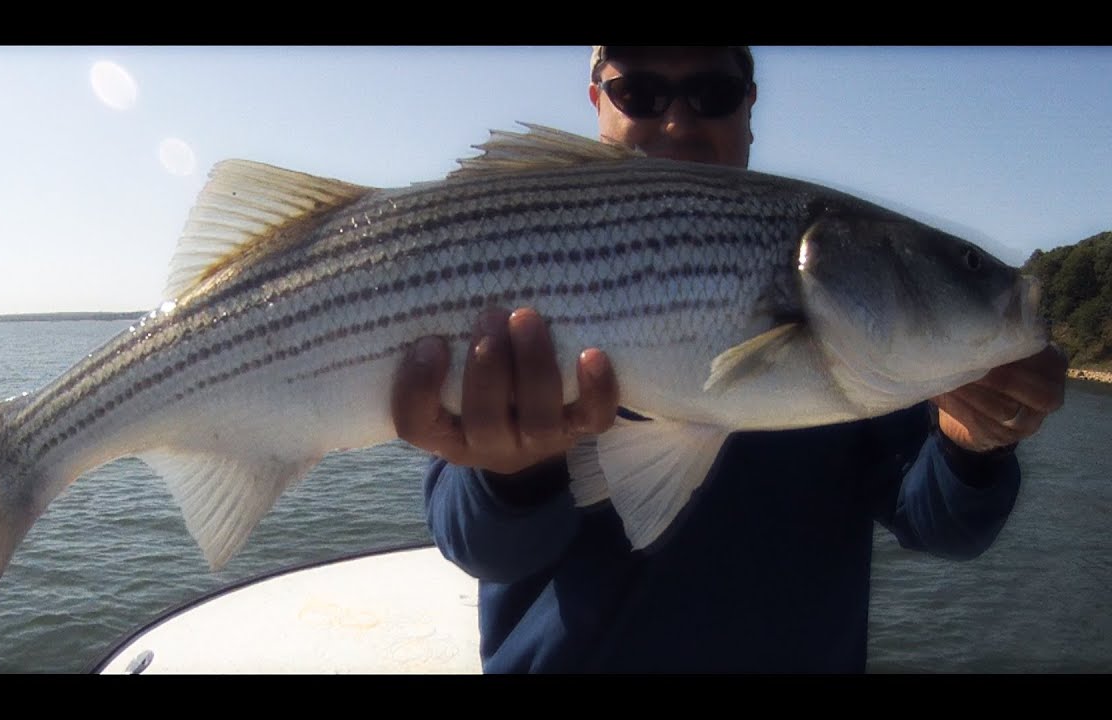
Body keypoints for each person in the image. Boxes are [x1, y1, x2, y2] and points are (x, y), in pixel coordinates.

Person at [389, 46, 1069, 672]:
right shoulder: (514, 259)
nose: (679, 122)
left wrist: (972, 447)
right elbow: (481, 548)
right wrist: (514, 478)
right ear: (597, 101)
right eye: (642, 93)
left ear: (749, 105)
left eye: (711, 91)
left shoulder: (875, 359)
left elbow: (941, 527)